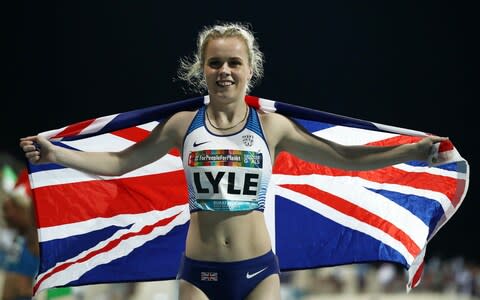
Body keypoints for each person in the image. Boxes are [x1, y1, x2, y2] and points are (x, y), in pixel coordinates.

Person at [19, 22, 447, 300]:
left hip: (258, 272)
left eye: (234, 63)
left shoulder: (271, 127)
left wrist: (409, 151)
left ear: (249, 70)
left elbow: (345, 158)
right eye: (216, 62)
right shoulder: (181, 125)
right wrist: (57, 153)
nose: (225, 70)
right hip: (197, 274)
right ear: (201, 70)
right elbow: (119, 163)